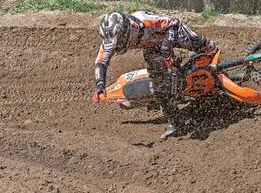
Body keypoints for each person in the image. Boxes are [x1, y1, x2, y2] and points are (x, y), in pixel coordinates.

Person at [92, 11, 218, 140]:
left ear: (126, 31)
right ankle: (177, 124)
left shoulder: (144, 20)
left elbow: (173, 23)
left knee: (204, 45)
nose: (116, 46)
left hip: (171, 33)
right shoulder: (111, 38)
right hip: (152, 47)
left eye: (118, 41)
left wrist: (166, 49)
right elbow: (101, 62)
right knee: (159, 88)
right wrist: (100, 85)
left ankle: (212, 63)